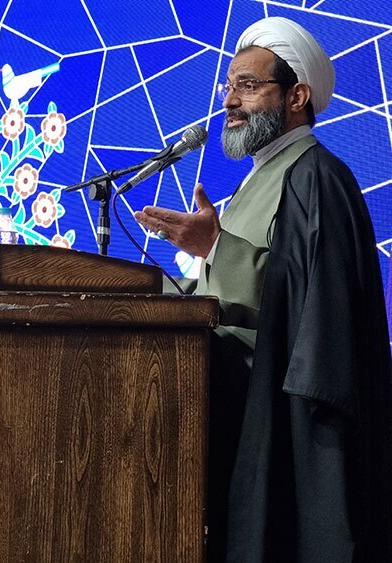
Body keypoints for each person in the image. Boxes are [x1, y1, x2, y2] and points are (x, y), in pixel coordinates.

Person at [135, 17, 392, 563]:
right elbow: (238, 293)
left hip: (285, 425)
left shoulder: (316, 177)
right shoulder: (261, 176)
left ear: (297, 97)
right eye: (229, 87)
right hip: (234, 408)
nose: (231, 101)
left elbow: (306, 302)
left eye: (248, 86)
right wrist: (145, 289)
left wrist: (215, 246)